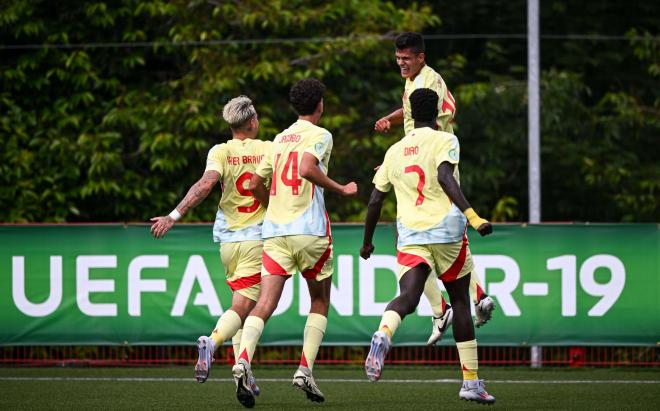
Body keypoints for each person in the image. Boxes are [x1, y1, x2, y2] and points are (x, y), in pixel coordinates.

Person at [229, 78, 357, 408]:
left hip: (275, 233)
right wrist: (340, 188)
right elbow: (306, 167)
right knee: (319, 300)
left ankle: (243, 359)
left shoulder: (277, 140)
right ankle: (304, 369)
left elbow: (254, 182)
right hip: (311, 231)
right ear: (320, 105)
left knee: (265, 302)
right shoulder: (321, 135)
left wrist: (270, 208)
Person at [362, 88, 495, 404]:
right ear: (437, 113)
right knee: (461, 302)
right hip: (447, 232)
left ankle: (384, 333)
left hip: (411, 235)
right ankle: (471, 383)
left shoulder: (394, 151)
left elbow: (375, 200)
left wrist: (367, 242)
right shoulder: (446, 140)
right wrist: (473, 216)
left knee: (407, 296)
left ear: (408, 113)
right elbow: (446, 178)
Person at [374, 32, 495, 342]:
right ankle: (475, 297)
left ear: (420, 57)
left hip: (433, 170)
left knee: (412, 244)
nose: (401, 63)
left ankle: (444, 310)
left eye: (406, 58)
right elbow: (416, 112)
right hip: (427, 166)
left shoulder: (427, 82)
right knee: (445, 244)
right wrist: (391, 118)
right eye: (398, 58)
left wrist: (399, 161)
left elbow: (433, 125)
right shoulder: (417, 79)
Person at [150, 96, 267, 394]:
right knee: (244, 308)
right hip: (255, 238)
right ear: (252, 121)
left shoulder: (220, 151)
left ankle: (243, 373)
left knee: (240, 307)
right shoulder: (267, 148)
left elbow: (205, 185)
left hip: (228, 241)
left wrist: (173, 215)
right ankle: (212, 342)